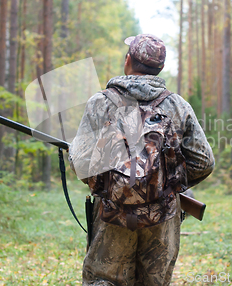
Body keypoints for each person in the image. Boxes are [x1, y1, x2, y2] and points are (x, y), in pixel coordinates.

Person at [69, 34, 214, 286]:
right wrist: (164, 183)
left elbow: (80, 162)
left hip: (110, 213)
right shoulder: (177, 106)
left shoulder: (100, 103)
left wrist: (112, 185)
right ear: (160, 68)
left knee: (103, 281)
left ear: (128, 61)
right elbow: (203, 161)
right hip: (163, 215)